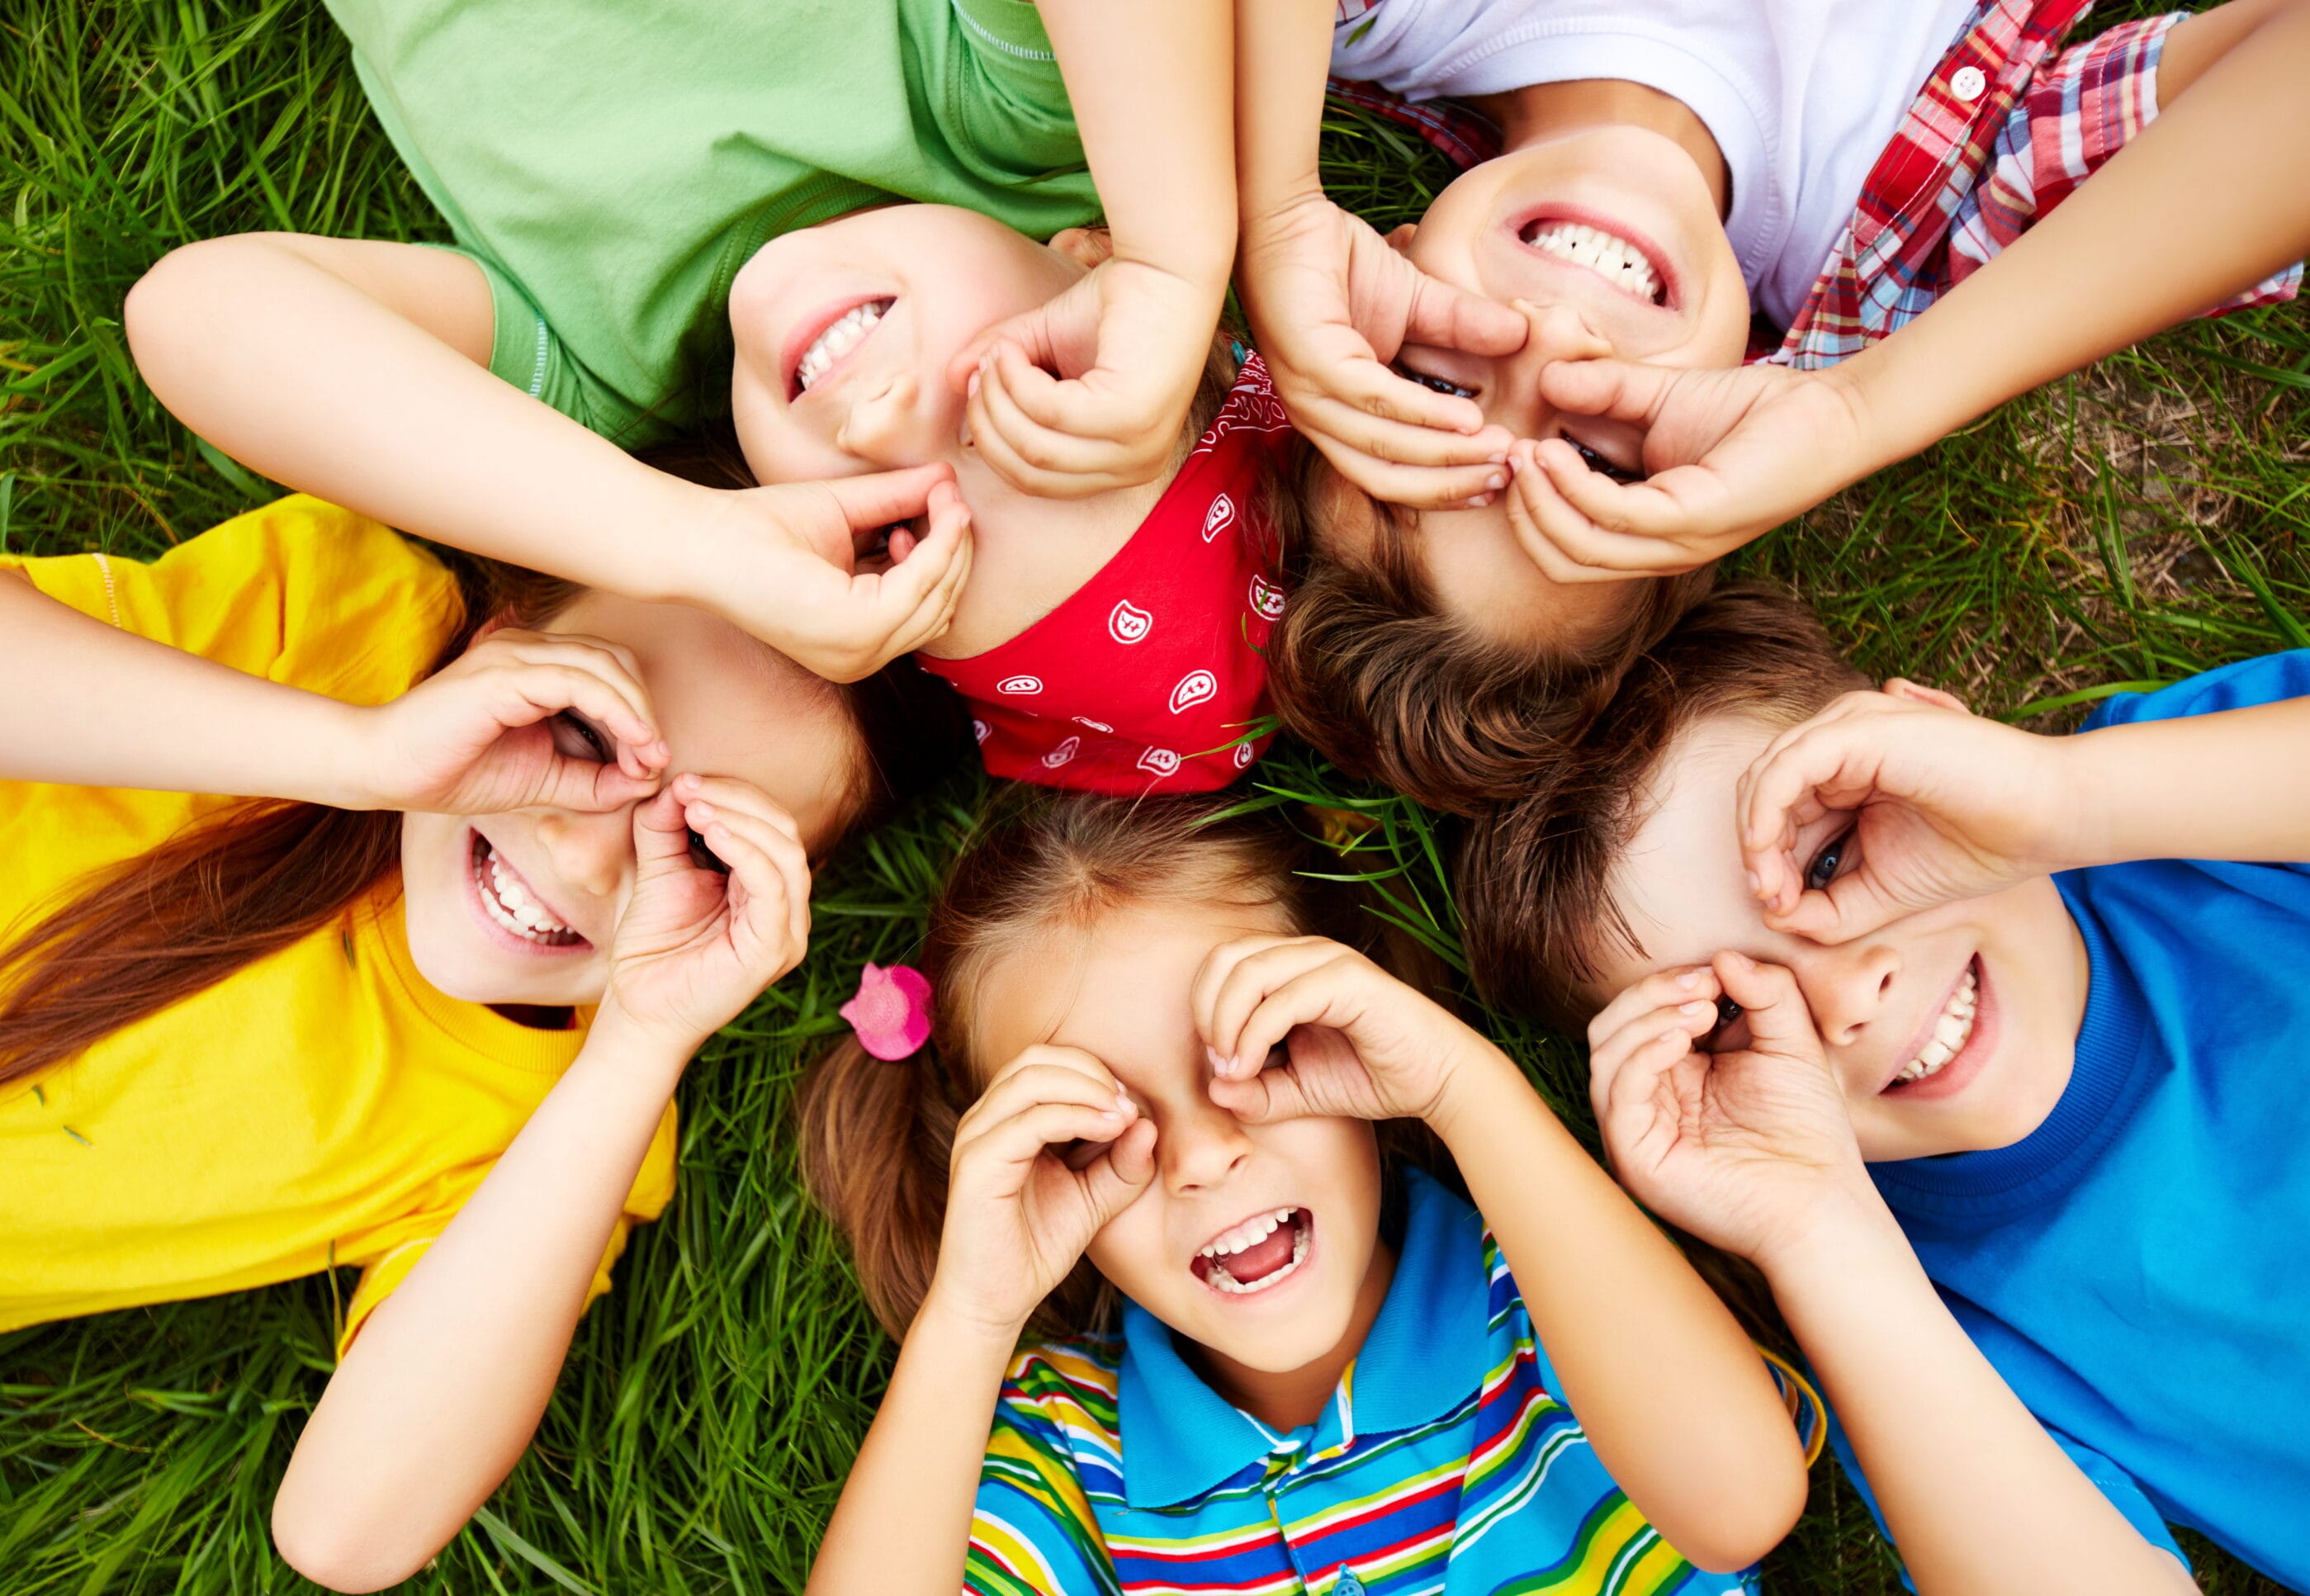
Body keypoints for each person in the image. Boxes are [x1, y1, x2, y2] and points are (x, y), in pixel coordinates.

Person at [0, 490, 959, 1592]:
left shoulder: (565, 1120)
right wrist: (365, 752)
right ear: (501, 642)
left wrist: (642, 1041)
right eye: (582, 731)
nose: (586, 859)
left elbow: (345, 1530)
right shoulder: (333, 620)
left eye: (698, 845)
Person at [124, 0, 1290, 792]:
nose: (883, 421)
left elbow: (201, 314)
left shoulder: (597, 377)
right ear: (1087, 261)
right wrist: (1174, 248)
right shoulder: (1010, 115)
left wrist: (689, 539)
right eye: (1029, 393)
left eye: (890, 532)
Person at [1234, 0, 2309, 814]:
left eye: (1432, 391)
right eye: (1600, 458)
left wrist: (1274, 202)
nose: (1554, 341)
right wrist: (1854, 409)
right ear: (1718, 431)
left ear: (1370, 281)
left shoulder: (1377, 23)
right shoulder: (1926, 237)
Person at [1454, 584, 2310, 1590]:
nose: (1845, 995)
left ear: (1934, 746)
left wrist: (2063, 798)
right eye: (1729, 1013)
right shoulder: (1908, 1324)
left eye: (1829, 861)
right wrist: (1817, 1233)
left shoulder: (2186, 812)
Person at [798, 795, 1816, 1594]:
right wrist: (970, 1314)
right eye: (1094, 1129)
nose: (1201, 1157)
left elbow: (1746, 1505)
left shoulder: (1555, 1289)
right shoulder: (1073, 1452)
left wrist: (1461, 1086)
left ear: (1358, 1024)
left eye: (1255, 1053)